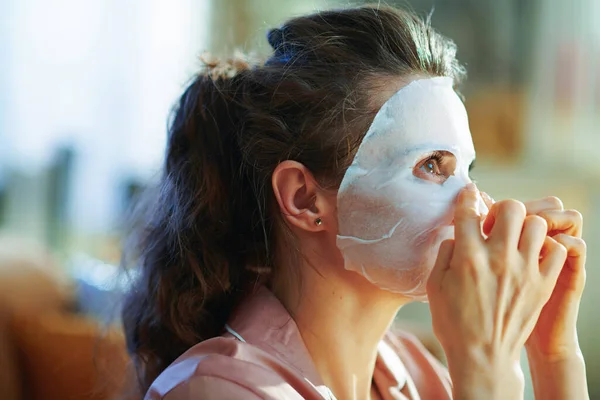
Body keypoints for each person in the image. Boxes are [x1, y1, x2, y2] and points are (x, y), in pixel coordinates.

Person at [121, 5, 589, 399]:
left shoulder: (419, 375)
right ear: (305, 200)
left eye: (468, 171)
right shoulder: (213, 391)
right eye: (431, 165)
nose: (476, 202)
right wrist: (487, 367)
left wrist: (554, 356)